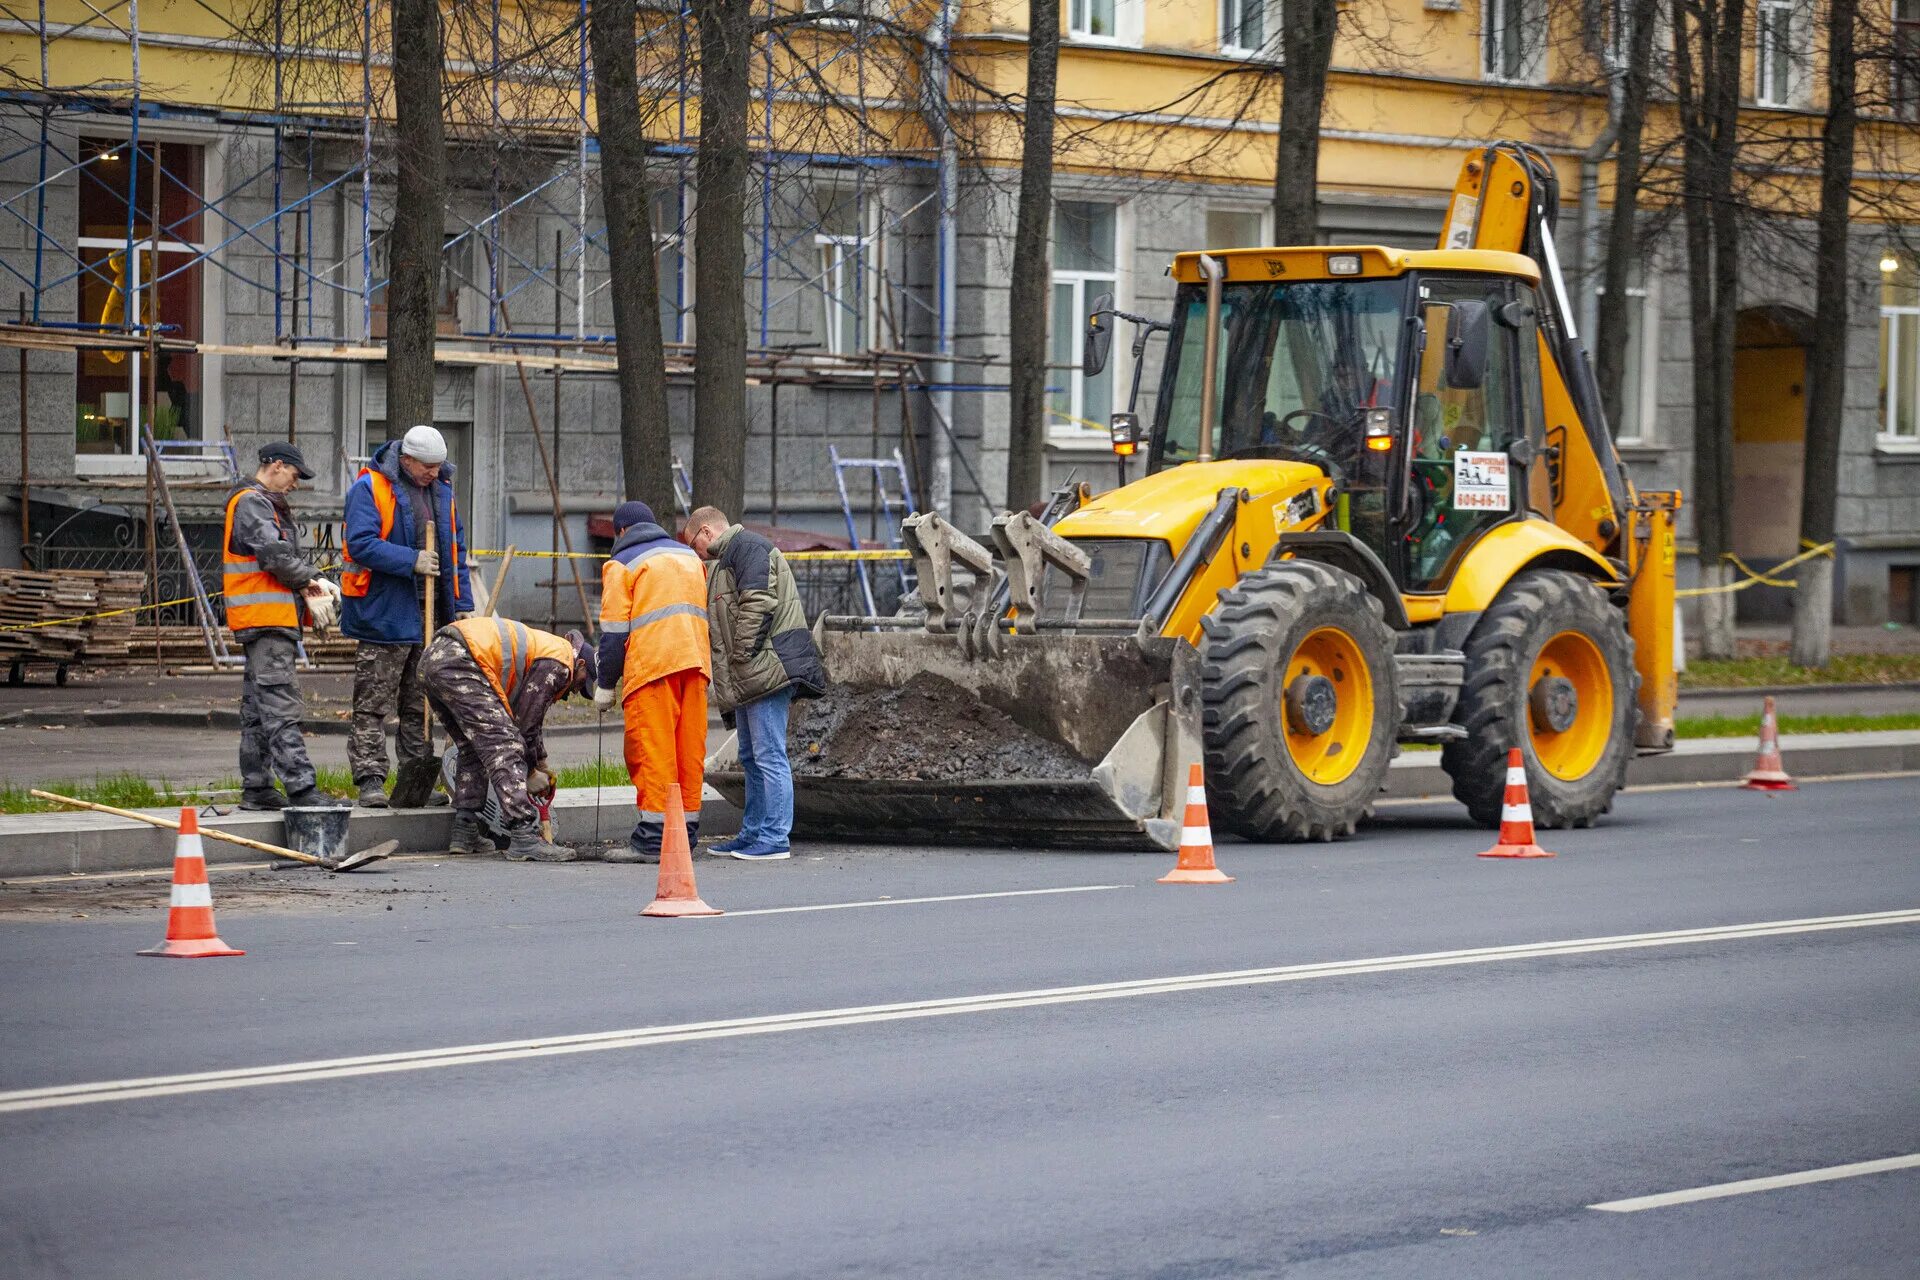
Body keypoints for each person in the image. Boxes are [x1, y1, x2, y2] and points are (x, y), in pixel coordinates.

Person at [340, 424, 473, 808]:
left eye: (439, 466)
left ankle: (416, 778)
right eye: (428, 466)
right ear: (407, 460)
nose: (435, 472)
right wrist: (410, 560)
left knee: (421, 703)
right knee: (373, 702)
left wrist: (461, 604)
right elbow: (360, 543)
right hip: (384, 613)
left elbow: (455, 550)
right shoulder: (369, 488)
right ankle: (370, 780)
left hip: (428, 614)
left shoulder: (442, 493)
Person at [686, 506, 826, 860]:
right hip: (751, 675)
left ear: (705, 532)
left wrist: (742, 656)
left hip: (765, 672)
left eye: (694, 544)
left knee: (768, 755)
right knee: (751, 757)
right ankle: (752, 834)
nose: (695, 553)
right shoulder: (726, 560)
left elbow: (758, 603)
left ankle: (775, 837)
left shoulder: (747, 547)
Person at [419, 616, 595, 862]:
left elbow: (532, 719)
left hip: (434, 659)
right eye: (582, 684)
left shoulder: (549, 651)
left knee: (474, 747)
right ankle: (523, 834)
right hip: (461, 660)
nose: (576, 691)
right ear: (581, 664)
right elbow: (524, 726)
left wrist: (540, 764)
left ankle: (465, 829)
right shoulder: (561, 663)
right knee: (505, 745)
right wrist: (531, 773)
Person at [594, 499, 711, 864]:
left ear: (622, 532)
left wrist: (604, 683)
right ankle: (685, 836)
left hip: (653, 666)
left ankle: (651, 840)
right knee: (688, 753)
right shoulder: (691, 558)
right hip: (694, 664)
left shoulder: (622, 564)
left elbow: (614, 634)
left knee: (653, 753)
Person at [222, 443, 333, 811]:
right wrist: (310, 582)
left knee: (257, 708)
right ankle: (302, 789)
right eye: (295, 475)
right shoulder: (253, 502)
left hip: (263, 621)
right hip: (266, 622)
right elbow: (274, 556)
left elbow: (279, 557)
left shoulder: (257, 502)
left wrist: (310, 581)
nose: (296, 483)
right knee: (281, 706)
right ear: (277, 466)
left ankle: (257, 788)